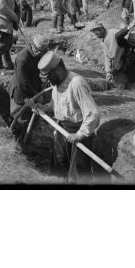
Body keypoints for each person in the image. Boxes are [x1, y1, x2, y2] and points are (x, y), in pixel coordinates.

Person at [31, 51, 100, 182]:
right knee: (59, 167)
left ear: (58, 69)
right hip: (61, 130)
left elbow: (93, 114)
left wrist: (79, 135)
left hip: (79, 133)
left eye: (49, 76)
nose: (48, 81)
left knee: (79, 174)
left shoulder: (76, 83)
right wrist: (44, 107)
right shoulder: (56, 83)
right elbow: (56, 104)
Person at [7, 34, 50, 134]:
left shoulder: (37, 55)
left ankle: (27, 134)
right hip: (21, 93)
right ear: (36, 49)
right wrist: (35, 96)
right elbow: (23, 83)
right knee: (21, 119)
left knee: (31, 117)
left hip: (32, 87)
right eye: (42, 53)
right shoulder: (23, 59)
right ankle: (19, 139)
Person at [91, 20, 135, 90]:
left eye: (95, 31)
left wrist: (114, 70)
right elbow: (107, 57)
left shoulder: (113, 34)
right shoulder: (103, 40)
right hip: (118, 64)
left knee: (122, 84)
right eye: (93, 31)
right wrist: (108, 71)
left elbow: (116, 54)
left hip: (126, 63)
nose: (94, 33)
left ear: (101, 29)